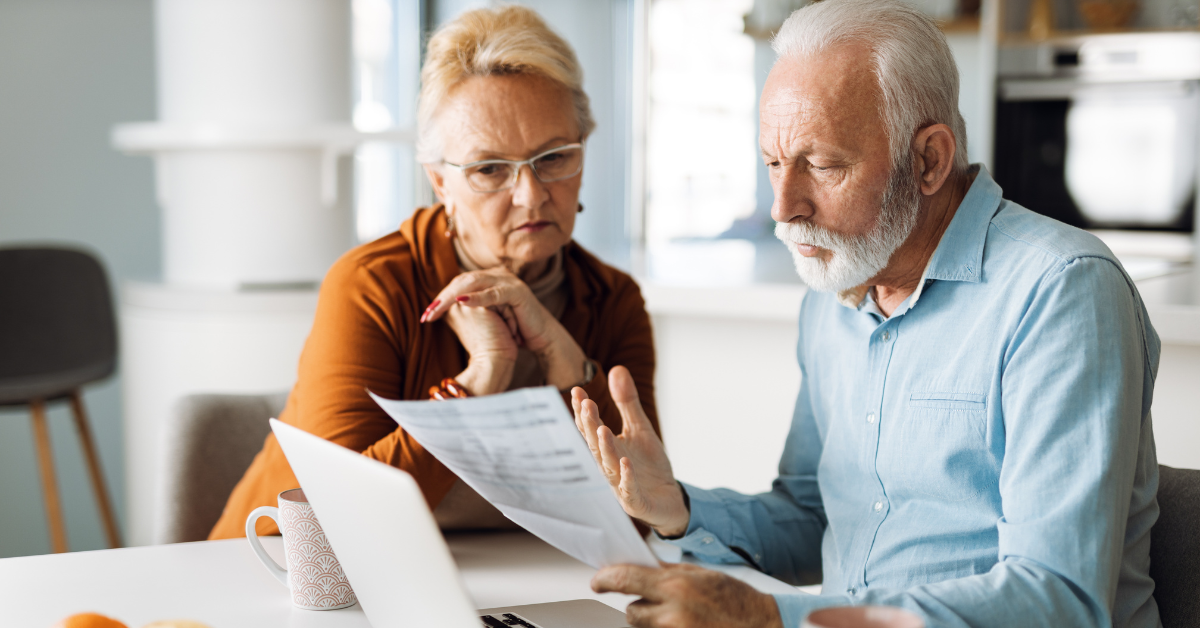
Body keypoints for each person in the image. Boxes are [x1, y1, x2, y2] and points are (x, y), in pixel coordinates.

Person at [571, 1, 1161, 626]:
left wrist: (775, 618)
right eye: (773, 163)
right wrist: (679, 509)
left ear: (930, 160)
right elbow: (813, 518)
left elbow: (1059, 599)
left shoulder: (1061, 292)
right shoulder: (834, 295)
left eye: (822, 166)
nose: (783, 207)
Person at [210, 5, 659, 539]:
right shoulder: (372, 285)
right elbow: (332, 516)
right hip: (293, 573)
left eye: (554, 158)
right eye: (490, 169)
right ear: (440, 182)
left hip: (514, 589)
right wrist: (479, 379)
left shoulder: (614, 299)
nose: (531, 194)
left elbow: (644, 513)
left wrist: (562, 357)